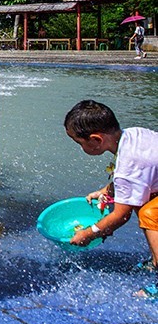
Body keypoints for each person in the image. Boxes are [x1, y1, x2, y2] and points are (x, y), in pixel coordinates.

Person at [65, 100, 158, 300]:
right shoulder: (133, 134)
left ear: (96, 140)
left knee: (150, 214)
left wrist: (90, 233)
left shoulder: (128, 165)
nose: (80, 148)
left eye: (79, 143)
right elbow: (141, 175)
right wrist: (107, 190)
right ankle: (155, 259)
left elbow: (121, 215)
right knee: (141, 201)